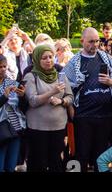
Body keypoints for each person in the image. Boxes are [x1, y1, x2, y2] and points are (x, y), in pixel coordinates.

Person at [63, 27, 112, 172]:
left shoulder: (106, 58)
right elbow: (65, 88)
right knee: (81, 155)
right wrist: (71, 111)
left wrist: (111, 82)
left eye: (97, 41)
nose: (95, 44)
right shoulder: (74, 62)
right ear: (82, 41)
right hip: (84, 116)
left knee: (101, 156)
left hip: (105, 115)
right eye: (91, 41)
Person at [24, 44, 73, 172]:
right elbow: (33, 101)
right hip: (37, 128)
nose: (48, 60)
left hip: (58, 127)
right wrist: (52, 92)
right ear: (37, 59)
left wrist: (61, 101)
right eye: (44, 58)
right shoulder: (31, 76)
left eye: (51, 57)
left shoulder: (60, 75)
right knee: (37, 162)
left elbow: (70, 97)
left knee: (56, 161)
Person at [0, 55, 26, 172]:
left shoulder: (12, 82)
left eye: (4, 66)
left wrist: (22, 97)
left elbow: (22, 107)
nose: (3, 69)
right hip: (1, 131)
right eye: (0, 67)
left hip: (15, 129)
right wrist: (4, 97)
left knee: (11, 166)